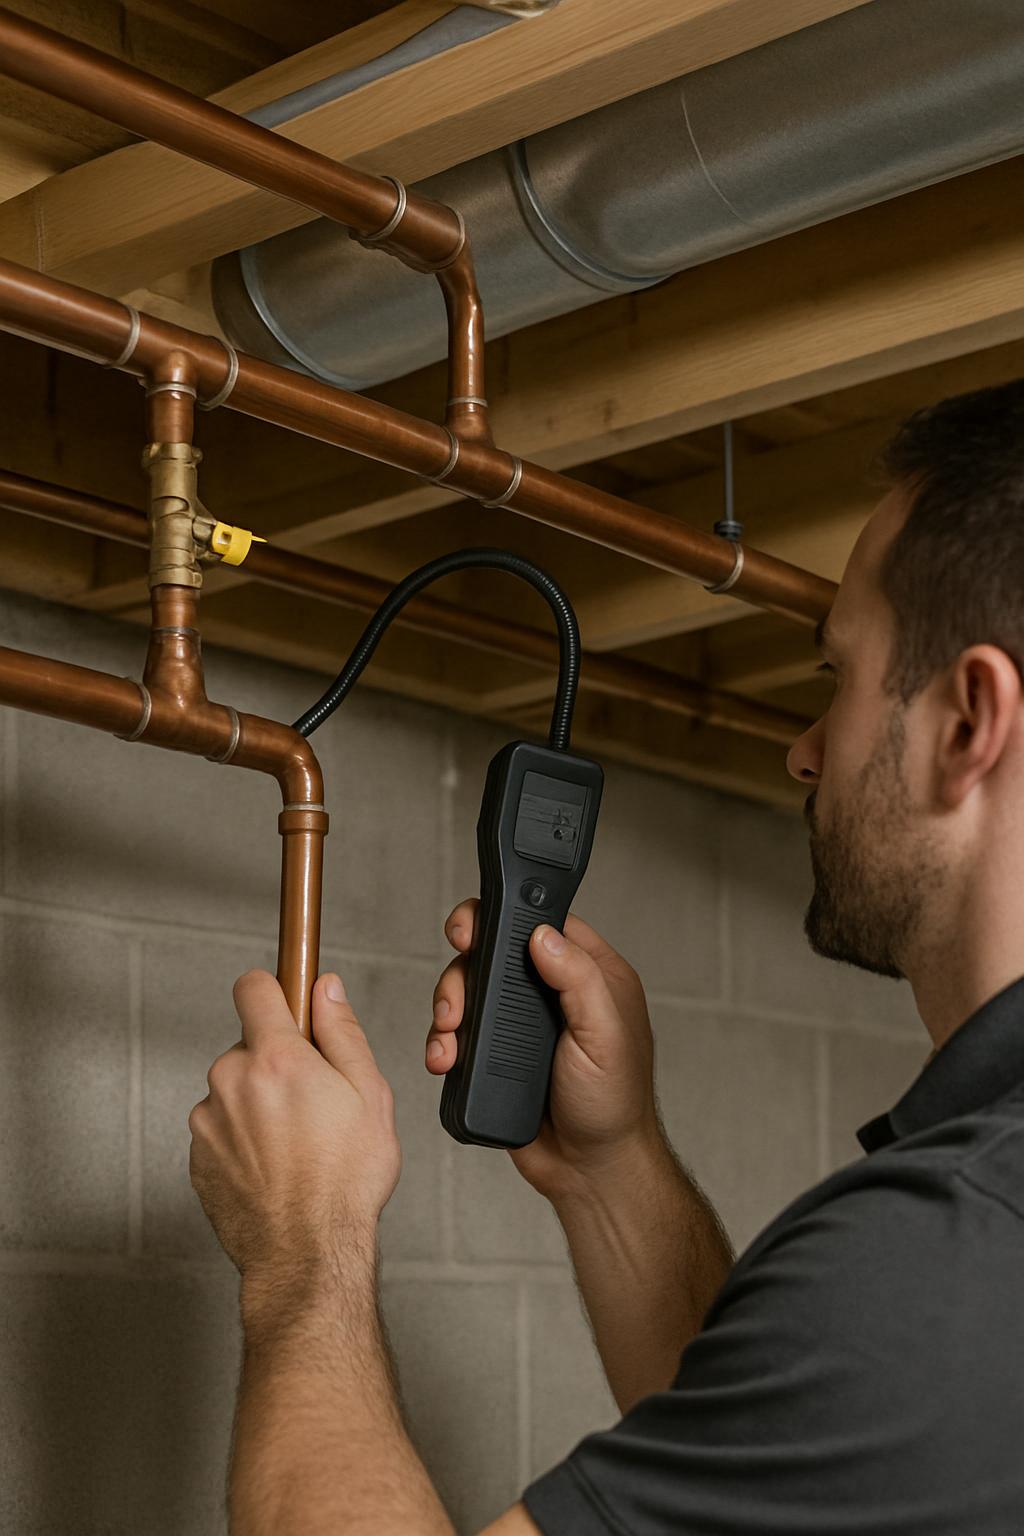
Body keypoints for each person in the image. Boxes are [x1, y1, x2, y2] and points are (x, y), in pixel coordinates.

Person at [188, 378, 1024, 1534]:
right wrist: (610, 1165)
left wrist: (302, 1254)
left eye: (838, 677)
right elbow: (791, 1474)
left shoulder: (958, 1251)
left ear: (970, 724)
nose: (800, 753)